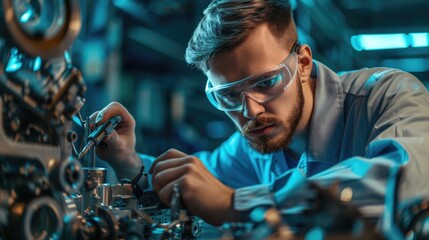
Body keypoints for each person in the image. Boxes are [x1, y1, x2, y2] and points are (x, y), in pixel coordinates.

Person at [90, 0, 429, 228]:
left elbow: (407, 184)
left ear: (304, 64)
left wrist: (238, 203)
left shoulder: (387, 96)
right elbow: (193, 179)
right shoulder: (253, 146)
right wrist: (129, 161)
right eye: (228, 96)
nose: (250, 110)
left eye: (267, 82)